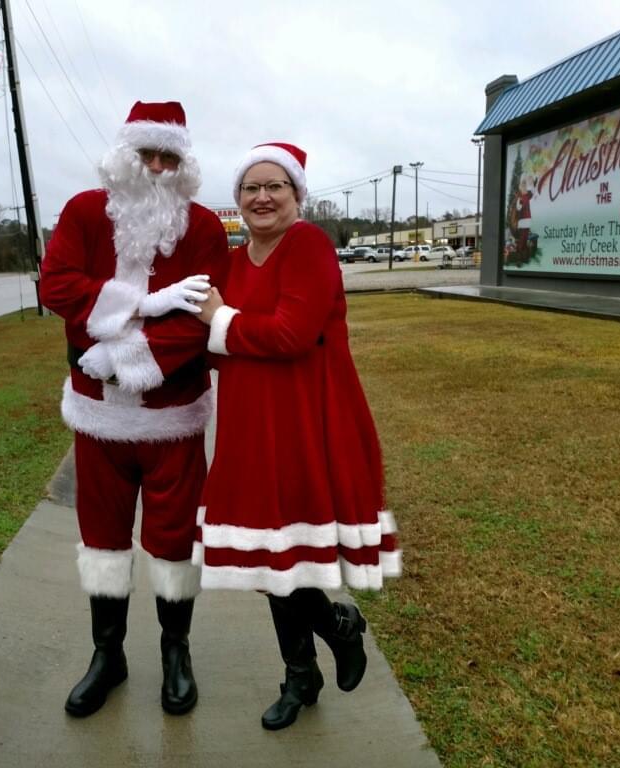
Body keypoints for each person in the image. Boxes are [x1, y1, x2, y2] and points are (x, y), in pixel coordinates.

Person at [192, 142, 401, 730]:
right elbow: (222, 346)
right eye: (250, 188)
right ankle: (311, 662)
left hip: (307, 419)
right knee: (265, 560)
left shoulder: (308, 245)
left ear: (296, 195)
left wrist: (218, 322)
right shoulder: (233, 261)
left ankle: (321, 649)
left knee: (286, 560)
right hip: (247, 424)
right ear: (237, 200)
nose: (262, 197)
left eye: (274, 186)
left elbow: (289, 334)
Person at [39, 101, 229, 718]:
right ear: (124, 156)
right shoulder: (85, 212)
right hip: (98, 419)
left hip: (171, 415)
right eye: (146, 154)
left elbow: (200, 318)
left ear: (183, 163)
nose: (155, 167)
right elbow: (56, 285)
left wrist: (126, 357)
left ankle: (177, 653)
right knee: (102, 537)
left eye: (168, 157)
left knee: (174, 541)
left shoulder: (202, 227)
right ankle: (108, 655)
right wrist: (140, 308)